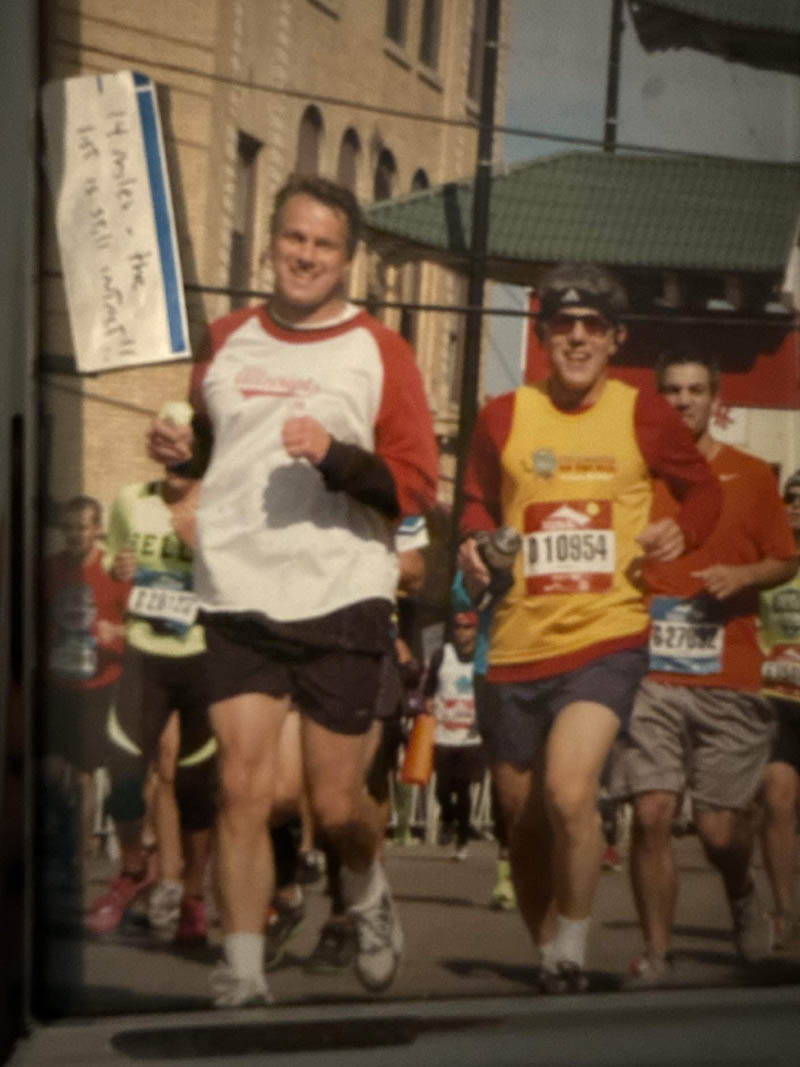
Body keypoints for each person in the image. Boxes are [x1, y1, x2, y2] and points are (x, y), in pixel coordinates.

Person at [147, 175, 439, 1007]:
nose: (305, 255)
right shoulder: (228, 336)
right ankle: (240, 966)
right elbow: (213, 451)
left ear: (348, 260)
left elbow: (415, 486)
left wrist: (338, 457)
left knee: (336, 800)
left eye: (324, 245)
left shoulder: (380, 350)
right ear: (271, 242)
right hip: (239, 588)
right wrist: (178, 451)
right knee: (241, 786)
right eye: (293, 239)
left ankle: (367, 885)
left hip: (341, 590)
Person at [459, 262, 722, 993]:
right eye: (564, 326)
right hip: (514, 643)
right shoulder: (503, 415)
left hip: (606, 636)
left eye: (593, 327)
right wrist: (474, 541)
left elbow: (701, 491)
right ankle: (546, 941)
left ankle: (571, 950)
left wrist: (682, 532)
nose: (577, 338)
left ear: (615, 339)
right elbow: (478, 497)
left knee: (570, 791)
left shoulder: (643, 413)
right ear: (543, 336)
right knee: (521, 815)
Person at [622, 350, 798, 983]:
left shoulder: (751, 476)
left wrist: (742, 574)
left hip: (729, 671)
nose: (683, 401)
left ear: (715, 399)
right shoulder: (636, 477)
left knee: (720, 831)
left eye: (695, 390)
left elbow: (785, 559)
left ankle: (742, 894)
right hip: (653, 673)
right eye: (671, 390)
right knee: (651, 812)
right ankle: (658, 955)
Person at [86, 426, 216, 946]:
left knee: (193, 784)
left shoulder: (222, 508)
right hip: (146, 652)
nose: (172, 475)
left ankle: (193, 897)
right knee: (120, 766)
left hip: (202, 655)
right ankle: (135, 866)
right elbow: (120, 560)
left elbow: (243, 580)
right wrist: (123, 567)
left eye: (183, 465)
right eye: (165, 463)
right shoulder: (130, 502)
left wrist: (199, 547)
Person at [42, 497, 129, 870]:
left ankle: (79, 855)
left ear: (97, 529)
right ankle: (57, 842)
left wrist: (116, 633)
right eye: (69, 528)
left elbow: (139, 623)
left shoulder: (113, 570)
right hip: (55, 683)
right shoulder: (47, 568)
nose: (75, 535)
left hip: (99, 684)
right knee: (48, 769)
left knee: (85, 771)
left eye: (83, 527)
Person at [758, 470, 800, 954]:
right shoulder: (769, 560)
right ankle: (785, 913)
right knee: (777, 797)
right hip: (776, 696)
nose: (797, 507)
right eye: (791, 499)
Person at [424, 611, 485, 861]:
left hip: (471, 736)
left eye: (468, 628)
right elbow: (429, 688)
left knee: (463, 790)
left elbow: (489, 690)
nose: (462, 633)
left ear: (475, 631)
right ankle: (447, 818)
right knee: (442, 788)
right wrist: (428, 702)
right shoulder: (442, 655)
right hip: (444, 733)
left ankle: (462, 841)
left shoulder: (482, 659)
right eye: (459, 628)